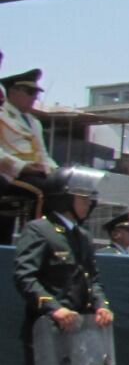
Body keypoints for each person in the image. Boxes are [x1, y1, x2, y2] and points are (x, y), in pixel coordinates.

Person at [11, 167, 113, 365]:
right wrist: (53, 308)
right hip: (46, 332)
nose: (88, 202)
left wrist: (101, 305)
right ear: (64, 198)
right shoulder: (39, 231)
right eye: (82, 196)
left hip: (76, 334)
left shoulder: (81, 238)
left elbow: (92, 280)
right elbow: (25, 277)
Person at [0, 69, 56, 244]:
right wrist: (22, 166)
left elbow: (43, 154)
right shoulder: (2, 115)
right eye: (30, 92)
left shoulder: (34, 122)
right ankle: (34, 243)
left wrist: (54, 170)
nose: (34, 98)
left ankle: (59, 237)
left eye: (36, 93)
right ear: (13, 92)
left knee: (64, 188)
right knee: (41, 192)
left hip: (34, 173)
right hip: (9, 174)